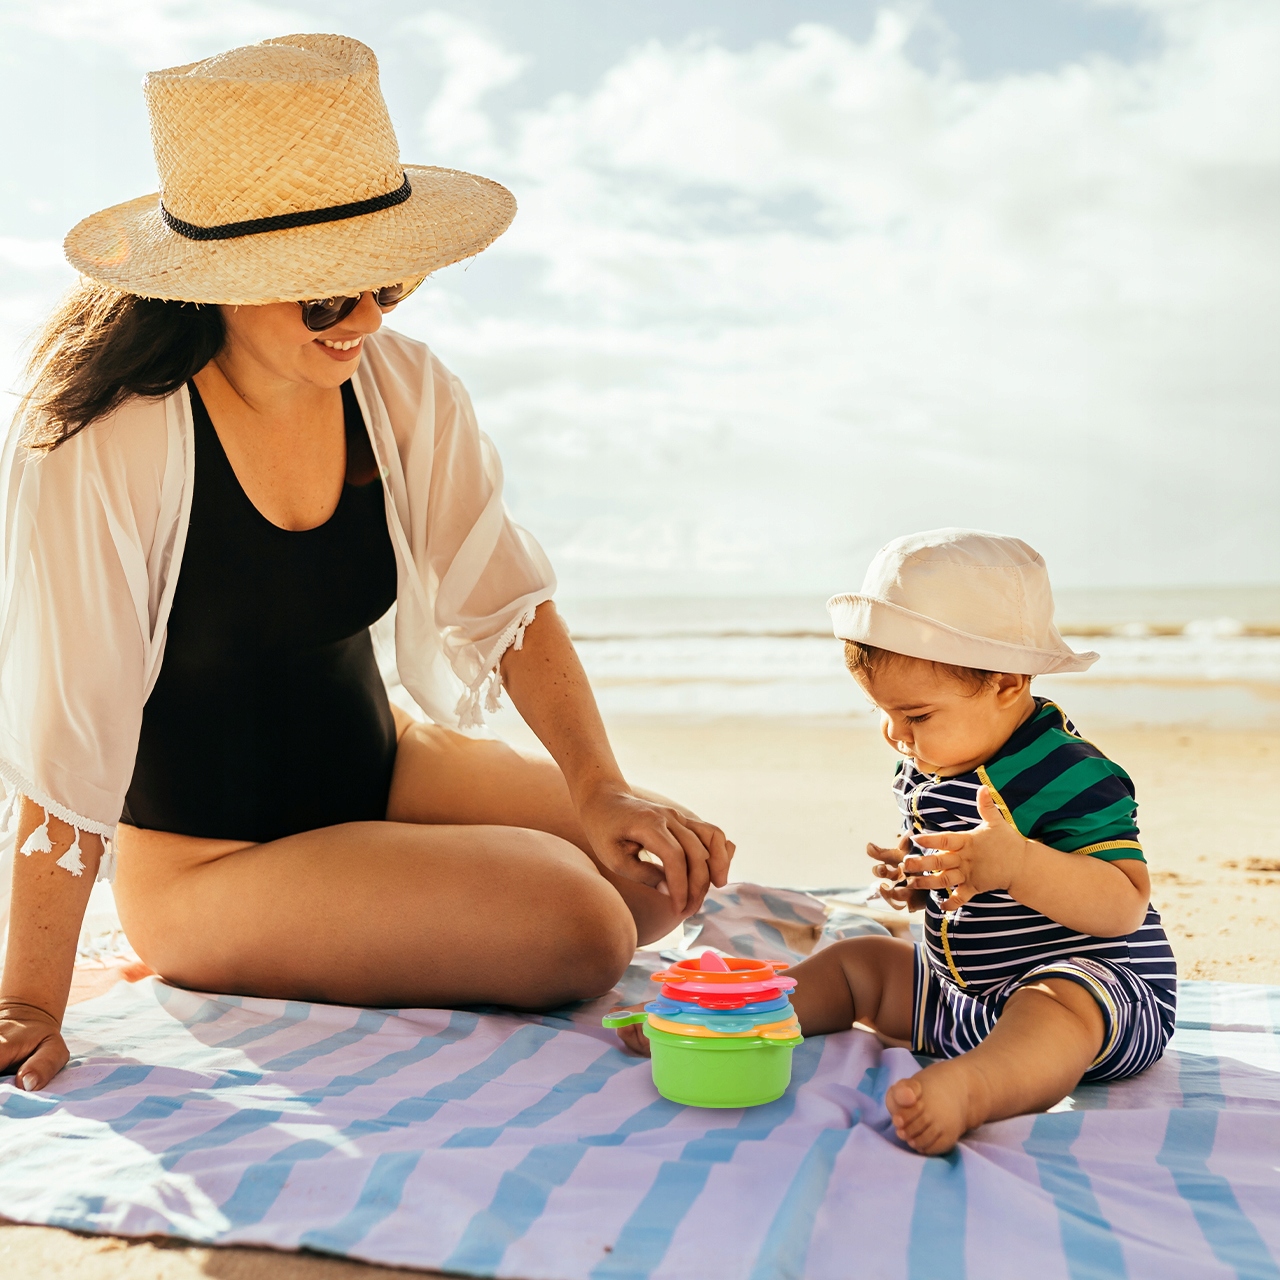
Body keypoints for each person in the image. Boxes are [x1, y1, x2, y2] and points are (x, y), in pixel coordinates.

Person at [0, 34, 732, 1095]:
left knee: (652, 874)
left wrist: (602, 783)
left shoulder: (402, 387)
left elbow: (507, 604)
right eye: (327, 299)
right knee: (579, 922)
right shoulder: (108, 444)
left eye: (386, 281)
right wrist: (28, 997)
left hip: (380, 770)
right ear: (224, 282)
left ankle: (400, 874)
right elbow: (63, 733)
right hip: (209, 864)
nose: (370, 319)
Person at [616, 529, 1177, 1155]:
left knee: (1055, 1007)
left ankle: (976, 1089)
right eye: (883, 712)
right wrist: (923, 880)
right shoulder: (936, 759)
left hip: (1098, 995)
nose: (895, 734)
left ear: (1007, 682)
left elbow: (1123, 905)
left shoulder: (1066, 771)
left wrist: (1017, 864)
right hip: (961, 996)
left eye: (916, 715)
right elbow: (958, 880)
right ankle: (738, 1021)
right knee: (861, 962)